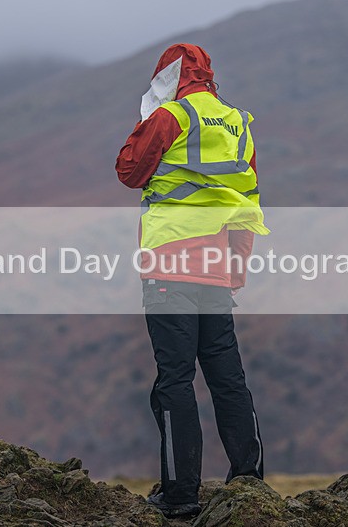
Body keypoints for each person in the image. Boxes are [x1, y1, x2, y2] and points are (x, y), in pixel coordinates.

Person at [115, 43, 268, 518]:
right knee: (227, 378)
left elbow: (127, 171)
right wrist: (236, 267)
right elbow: (247, 201)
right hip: (216, 270)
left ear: (169, 76)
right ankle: (248, 481)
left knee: (174, 382)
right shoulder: (240, 124)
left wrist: (151, 117)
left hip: (168, 268)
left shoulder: (172, 118)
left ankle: (180, 496)